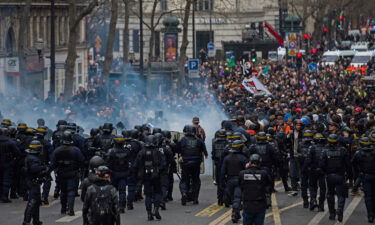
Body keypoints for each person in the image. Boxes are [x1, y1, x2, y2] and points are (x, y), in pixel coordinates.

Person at [50, 130, 85, 216]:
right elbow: (82, 161)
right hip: (73, 173)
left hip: (61, 173)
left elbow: (53, 163)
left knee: (63, 191)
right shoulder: (76, 150)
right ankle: (70, 209)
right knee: (71, 191)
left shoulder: (57, 150)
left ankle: (63, 209)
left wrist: (48, 171)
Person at [319, 134, 352, 222]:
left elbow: (321, 165)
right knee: (342, 194)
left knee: (330, 194)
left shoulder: (325, 151)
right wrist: (350, 176)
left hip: (329, 176)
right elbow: (348, 165)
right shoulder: (343, 150)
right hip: (340, 176)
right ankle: (340, 208)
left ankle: (332, 214)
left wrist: (325, 173)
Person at [133, 135, 165, 221]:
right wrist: (159, 172)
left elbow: (136, 165)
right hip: (156, 176)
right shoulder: (158, 152)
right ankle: (156, 209)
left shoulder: (141, 152)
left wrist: (137, 176)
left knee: (148, 195)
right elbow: (163, 165)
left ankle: (149, 214)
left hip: (145, 176)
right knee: (158, 193)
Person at [176, 125, 208, 205]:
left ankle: (184, 193)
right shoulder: (199, 140)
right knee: (196, 180)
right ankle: (195, 199)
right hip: (196, 163)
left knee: (184, 180)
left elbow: (177, 150)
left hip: (185, 163)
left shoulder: (182, 140)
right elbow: (205, 153)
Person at [239, 154, 272, 225]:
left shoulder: (242, 173)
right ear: (260, 163)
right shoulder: (264, 173)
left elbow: (240, 186)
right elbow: (269, 185)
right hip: (260, 204)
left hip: (247, 204)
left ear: (250, 162)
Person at [220, 140, 248, 223]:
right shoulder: (244, 158)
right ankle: (235, 213)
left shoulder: (227, 158)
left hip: (229, 181)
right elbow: (247, 171)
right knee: (237, 198)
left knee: (233, 199)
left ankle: (236, 212)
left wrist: (221, 183)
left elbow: (222, 172)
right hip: (240, 181)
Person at [22, 140, 49, 225]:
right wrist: (44, 169)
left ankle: (36, 220)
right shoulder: (33, 159)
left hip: (32, 181)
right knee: (32, 202)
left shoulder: (30, 157)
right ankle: (26, 221)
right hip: (33, 182)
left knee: (36, 202)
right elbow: (35, 169)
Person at [352, 137, 375, 223]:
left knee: (368, 196)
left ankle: (370, 215)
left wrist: (359, 171)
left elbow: (353, 164)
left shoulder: (358, 153)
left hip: (365, 177)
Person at [107, 135, 132, 213]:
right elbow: (130, 162)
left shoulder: (111, 151)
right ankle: (121, 206)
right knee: (122, 191)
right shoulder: (127, 151)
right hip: (124, 174)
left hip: (113, 174)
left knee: (112, 191)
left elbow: (108, 163)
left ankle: (112, 206)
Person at [303, 133, 327, 211]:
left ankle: (313, 199)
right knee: (323, 188)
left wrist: (304, 169)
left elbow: (307, 160)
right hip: (322, 171)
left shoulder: (312, 148)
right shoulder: (325, 148)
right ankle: (321, 205)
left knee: (312, 186)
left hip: (313, 170)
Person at [0, 127, 19, 203]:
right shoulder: (10, 142)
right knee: (6, 180)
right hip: (7, 164)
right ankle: (4, 197)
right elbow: (17, 153)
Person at [212, 129, 227, 205]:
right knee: (226, 181)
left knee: (219, 182)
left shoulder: (215, 143)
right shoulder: (228, 144)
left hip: (218, 165)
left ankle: (220, 199)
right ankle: (226, 198)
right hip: (227, 165)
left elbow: (213, 155)